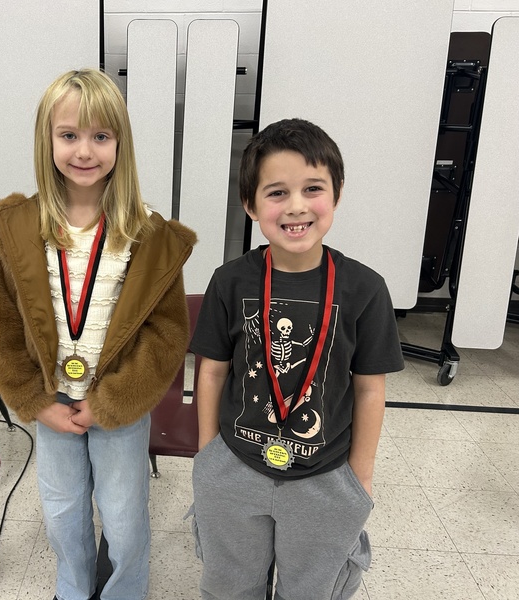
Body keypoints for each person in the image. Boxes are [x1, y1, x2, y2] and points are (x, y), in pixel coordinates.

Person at [0, 68, 196, 600]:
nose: (85, 150)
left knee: (124, 513)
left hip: (119, 403)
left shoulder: (150, 235)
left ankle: (125, 589)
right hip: (51, 401)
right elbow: (4, 325)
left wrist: (111, 403)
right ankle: (73, 587)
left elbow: (167, 332)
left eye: (101, 136)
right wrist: (33, 400)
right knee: (62, 507)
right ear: (46, 139)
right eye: (69, 135)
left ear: (120, 143)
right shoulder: (17, 228)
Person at [189, 118, 404, 600]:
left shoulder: (365, 290)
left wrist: (359, 479)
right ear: (250, 204)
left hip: (325, 479)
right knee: (228, 585)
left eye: (313, 188)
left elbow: (370, 388)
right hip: (235, 468)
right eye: (277, 193)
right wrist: (208, 456)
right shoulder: (230, 281)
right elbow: (212, 371)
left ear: (337, 193)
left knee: (312, 589)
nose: (297, 207)